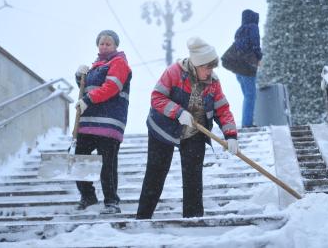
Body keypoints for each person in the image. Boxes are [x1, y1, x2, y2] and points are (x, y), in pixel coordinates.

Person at [136, 36, 239, 219]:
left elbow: (222, 109)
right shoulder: (174, 72)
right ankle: (142, 217)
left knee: (193, 177)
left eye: (212, 67)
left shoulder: (213, 83)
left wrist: (231, 135)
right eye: (207, 67)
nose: (210, 71)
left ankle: (193, 220)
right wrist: (178, 112)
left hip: (195, 130)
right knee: (156, 173)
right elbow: (157, 97)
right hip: (163, 128)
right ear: (197, 64)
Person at [74, 30, 132, 213]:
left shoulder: (119, 63)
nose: (104, 46)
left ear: (116, 46)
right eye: (101, 43)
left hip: (109, 122)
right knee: (80, 160)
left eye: (108, 43)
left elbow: (111, 87)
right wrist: (79, 77)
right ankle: (88, 197)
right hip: (88, 123)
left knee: (108, 164)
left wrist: (88, 100)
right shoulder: (95, 67)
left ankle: (111, 201)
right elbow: (87, 89)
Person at [221, 9, 262, 128]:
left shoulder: (240, 31)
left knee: (247, 96)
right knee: (251, 96)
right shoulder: (253, 27)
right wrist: (259, 57)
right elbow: (255, 45)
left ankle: (246, 122)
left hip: (238, 69)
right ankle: (247, 124)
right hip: (247, 68)